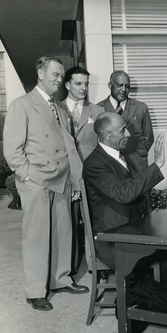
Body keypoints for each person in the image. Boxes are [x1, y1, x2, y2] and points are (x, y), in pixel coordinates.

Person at [83, 112, 167, 312]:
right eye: (122, 130)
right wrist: (157, 165)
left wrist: (152, 212)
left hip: (131, 229)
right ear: (107, 135)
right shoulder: (95, 163)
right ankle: (151, 301)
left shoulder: (118, 156)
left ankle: (147, 298)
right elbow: (124, 194)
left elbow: (135, 194)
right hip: (112, 239)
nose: (128, 133)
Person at [3, 55, 89, 312]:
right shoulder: (22, 104)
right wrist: (26, 175)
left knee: (64, 233)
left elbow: (69, 146)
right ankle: (35, 291)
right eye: (55, 75)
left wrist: (75, 181)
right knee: (37, 237)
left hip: (62, 179)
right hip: (37, 182)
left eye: (62, 76)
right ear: (41, 73)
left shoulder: (60, 107)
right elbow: (12, 150)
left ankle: (61, 279)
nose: (60, 80)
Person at [60, 66, 104, 275]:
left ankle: (94, 267)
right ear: (67, 85)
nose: (83, 88)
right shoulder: (56, 109)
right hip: (64, 176)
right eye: (78, 83)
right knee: (66, 225)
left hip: (90, 177)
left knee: (91, 223)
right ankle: (67, 272)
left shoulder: (98, 111)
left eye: (86, 84)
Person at [97, 71, 154, 173]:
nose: (124, 90)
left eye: (127, 86)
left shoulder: (141, 108)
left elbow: (148, 138)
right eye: (120, 85)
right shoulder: (99, 109)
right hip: (111, 168)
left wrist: (138, 154)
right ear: (110, 85)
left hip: (138, 167)